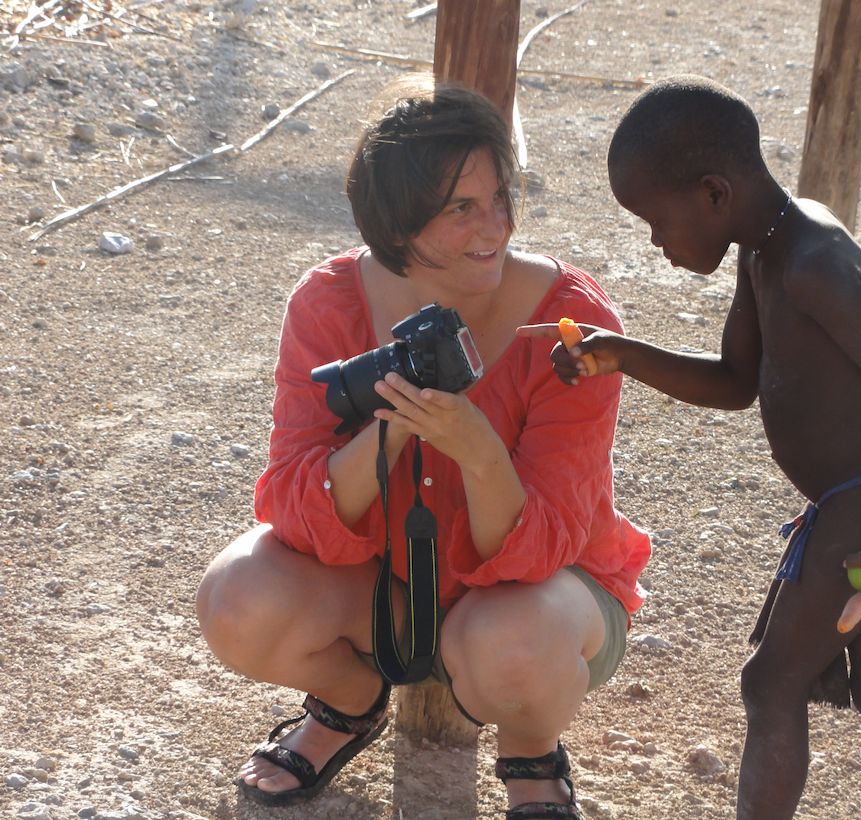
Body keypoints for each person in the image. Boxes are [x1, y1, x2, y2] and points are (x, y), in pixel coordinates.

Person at [518, 75, 861, 819]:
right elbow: (737, 381)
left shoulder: (812, 266)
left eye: (657, 221)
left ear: (715, 193)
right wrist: (621, 354)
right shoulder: (764, 250)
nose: (656, 241)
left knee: (773, 683)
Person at [196, 76, 650, 818]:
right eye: (460, 208)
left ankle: (531, 748)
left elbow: (544, 547)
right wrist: (396, 423)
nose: (494, 227)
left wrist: (478, 452)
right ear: (398, 221)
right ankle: (349, 701)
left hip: (538, 607)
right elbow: (291, 505)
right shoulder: (328, 302)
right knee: (236, 600)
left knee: (513, 641)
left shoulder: (571, 321)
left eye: (500, 196)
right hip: (385, 596)